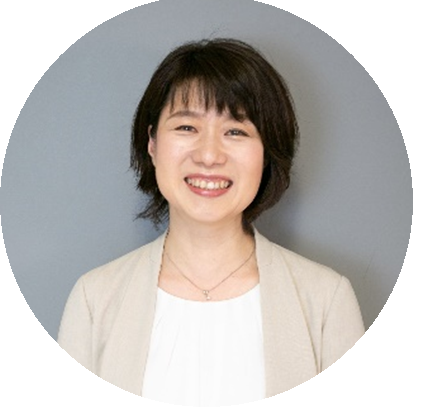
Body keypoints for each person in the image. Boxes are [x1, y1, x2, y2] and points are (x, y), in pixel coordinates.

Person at [58, 38, 365, 406]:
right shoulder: (94, 300)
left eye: (235, 131)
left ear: (267, 153)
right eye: (187, 127)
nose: (208, 155)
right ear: (152, 143)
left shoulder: (327, 301)